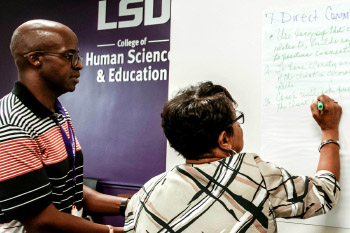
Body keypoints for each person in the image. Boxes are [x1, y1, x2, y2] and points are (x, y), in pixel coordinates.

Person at [124, 81, 342, 232]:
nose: (240, 126)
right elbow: (324, 193)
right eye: (236, 120)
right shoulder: (253, 174)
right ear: (224, 140)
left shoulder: (143, 196)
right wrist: (329, 131)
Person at [0, 19, 127, 233]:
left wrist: (131, 206)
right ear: (35, 59)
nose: (79, 65)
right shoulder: (11, 124)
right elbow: (41, 221)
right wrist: (119, 231)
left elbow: (70, 188)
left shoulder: (57, 112)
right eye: (69, 56)